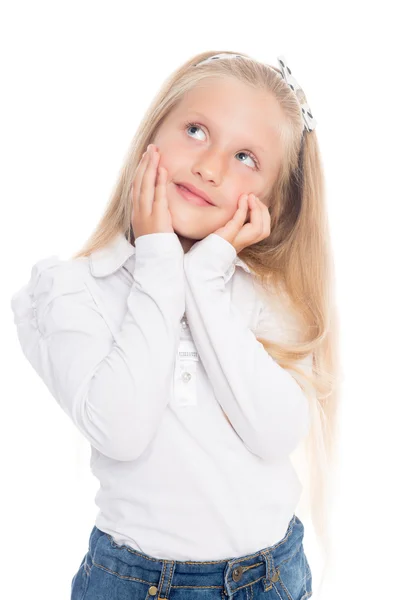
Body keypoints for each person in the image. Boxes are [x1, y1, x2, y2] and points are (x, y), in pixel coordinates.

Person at [10, 51, 341, 599]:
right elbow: (121, 428)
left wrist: (205, 278)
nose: (210, 166)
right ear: (149, 139)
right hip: (135, 583)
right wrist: (160, 260)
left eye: (245, 157)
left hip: (268, 579)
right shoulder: (72, 290)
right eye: (195, 130)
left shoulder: (268, 298)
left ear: (272, 206)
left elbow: (275, 431)